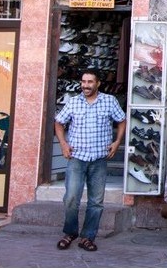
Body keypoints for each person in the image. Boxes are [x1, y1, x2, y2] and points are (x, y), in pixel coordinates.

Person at [54, 67, 126, 252]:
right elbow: (59, 122)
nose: (85, 85)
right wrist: (63, 144)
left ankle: (88, 237)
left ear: (98, 83)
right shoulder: (73, 102)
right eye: (83, 82)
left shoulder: (109, 101)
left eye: (90, 82)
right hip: (77, 157)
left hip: (99, 159)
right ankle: (70, 232)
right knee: (71, 198)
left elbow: (122, 120)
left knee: (96, 201)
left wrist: (117, 142)